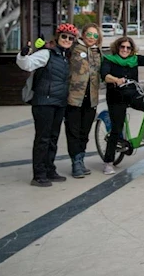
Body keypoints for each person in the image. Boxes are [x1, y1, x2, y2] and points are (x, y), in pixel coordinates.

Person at [16, 23, 79, 187]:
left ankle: (50, 169)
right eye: (64, 36)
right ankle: (39, 174)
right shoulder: (46, 54)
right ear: (58, 37)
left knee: (53, 138)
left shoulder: (67, 57)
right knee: (42, 139)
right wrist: (23, 54)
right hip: (44, 102)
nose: (67, 40)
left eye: (70, 38)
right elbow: (26, 64)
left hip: (59, 102)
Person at [101, 35, 144, 174]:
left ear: (132, 49)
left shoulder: (134, 60)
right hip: (116, 97)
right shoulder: (110, 59)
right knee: (117, 129)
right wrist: (115, 79)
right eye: (122, 47)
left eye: (128, 47)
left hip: (133, 94)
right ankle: (108, 162)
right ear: (117, 47)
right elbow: (104, 75)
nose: (125, 50)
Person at [65, 22, 102, 178]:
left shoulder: (98, 52)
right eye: (89, 34)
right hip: (74, 98)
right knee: (73, 131)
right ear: (83, 34)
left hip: (91, 99)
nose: (92, 38)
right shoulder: (73, 49)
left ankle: (80, 158)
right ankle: (76, 163)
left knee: (84, 132)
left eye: (95, 35)